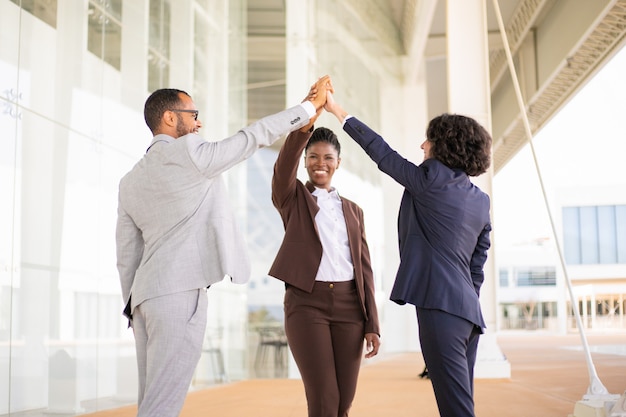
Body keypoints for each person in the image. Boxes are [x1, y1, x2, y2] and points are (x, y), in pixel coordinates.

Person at [115, 76, 331, 417]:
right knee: (162, 405)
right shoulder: (190, 152)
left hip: (144, 300)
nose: (199, 121)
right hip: (180, 292)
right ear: (170, 118)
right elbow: (252, 137)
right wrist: (305, 110)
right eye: (193, 113)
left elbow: (127, 254)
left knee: (151, 400)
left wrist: (132, 303)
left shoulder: (130, 180)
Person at [325, 92, 492, 417]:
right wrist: (464, 302)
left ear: (443, 146)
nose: (422, 146)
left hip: (440, 309)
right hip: (469, 315)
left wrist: (337, 111)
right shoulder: (480, 200)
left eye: (428, 140)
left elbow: (382, 154)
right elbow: (477, 267)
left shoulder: (429, 181)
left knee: (456, 410)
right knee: (460, 405)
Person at [268, 88, 381, 417]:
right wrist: (307, 121)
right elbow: (283, 169)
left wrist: (372, 322)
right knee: (324, 399)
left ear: (338, 163)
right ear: (304, 162)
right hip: (307, 305)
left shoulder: (354, 211)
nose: (320, 164)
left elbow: (365, 270)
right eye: (313, 157)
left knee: (343, 401)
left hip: (350, 308)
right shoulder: (292, 199)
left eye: (327, 158)